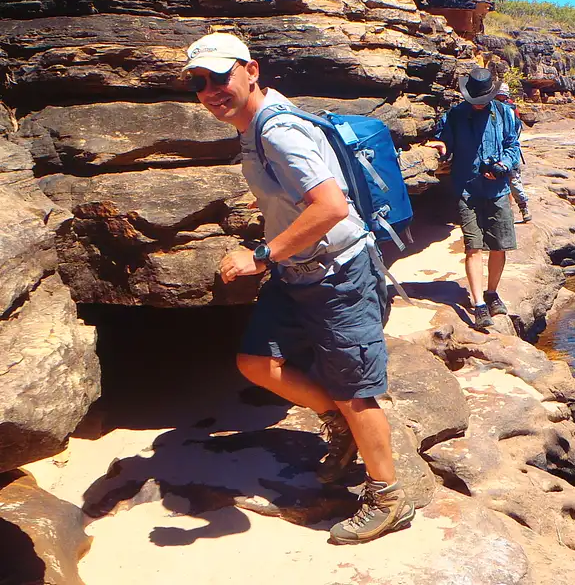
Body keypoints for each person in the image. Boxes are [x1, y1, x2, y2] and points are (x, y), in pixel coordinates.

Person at [182, 32, 413, 545]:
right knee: (256, 363)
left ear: (251, 70)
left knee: (357, 392)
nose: (210, 90)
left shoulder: (278, 130)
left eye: (220, 77)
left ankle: (390, 496)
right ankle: (340, 428)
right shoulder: (253, 125)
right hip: (299, 270)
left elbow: (330, 207)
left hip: (338, 275)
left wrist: (262, 254)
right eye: (199, 82)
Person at [425, 67, 522, 331]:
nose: (478, 106)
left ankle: (492, 293)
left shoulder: (505, 114)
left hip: (497, 190)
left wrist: (503, 164)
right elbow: (444, 140)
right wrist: (441, 146)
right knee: (473, 246)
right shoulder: (455, 115)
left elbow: (514, 146)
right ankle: (479, 306)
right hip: (467, 189)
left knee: (499, 246)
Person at [495, 82, 531, 223]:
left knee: (513, 181)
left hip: (508, 151)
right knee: (512, 182)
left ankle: (523, 208)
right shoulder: (509, 108)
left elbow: (513, 134)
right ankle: (517, 210)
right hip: (506, 150)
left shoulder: (509, 110)